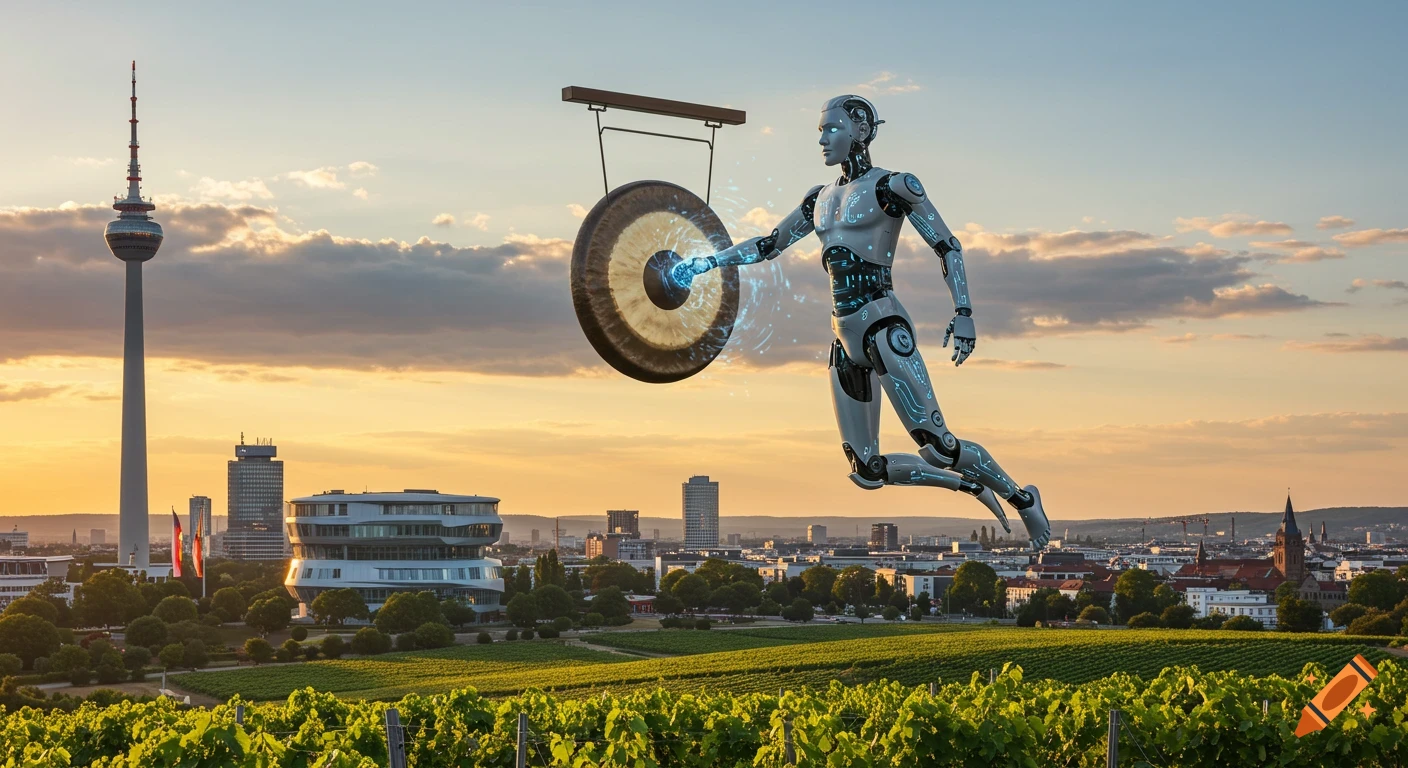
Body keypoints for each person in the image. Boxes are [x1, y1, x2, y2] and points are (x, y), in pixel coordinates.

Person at [674, 95, 1051, 549]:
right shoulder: (818, 200)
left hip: (882, 324)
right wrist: (708, 263)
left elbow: (947, 244)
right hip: (844, 335)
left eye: (830, 128)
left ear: (859, 130)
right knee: (866, 470)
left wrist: (964, 312)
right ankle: (968, 486)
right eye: (820, 130)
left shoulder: (892, 187)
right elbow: (769, 244)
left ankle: (1022, 498)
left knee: (937, 446)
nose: (821, 138)